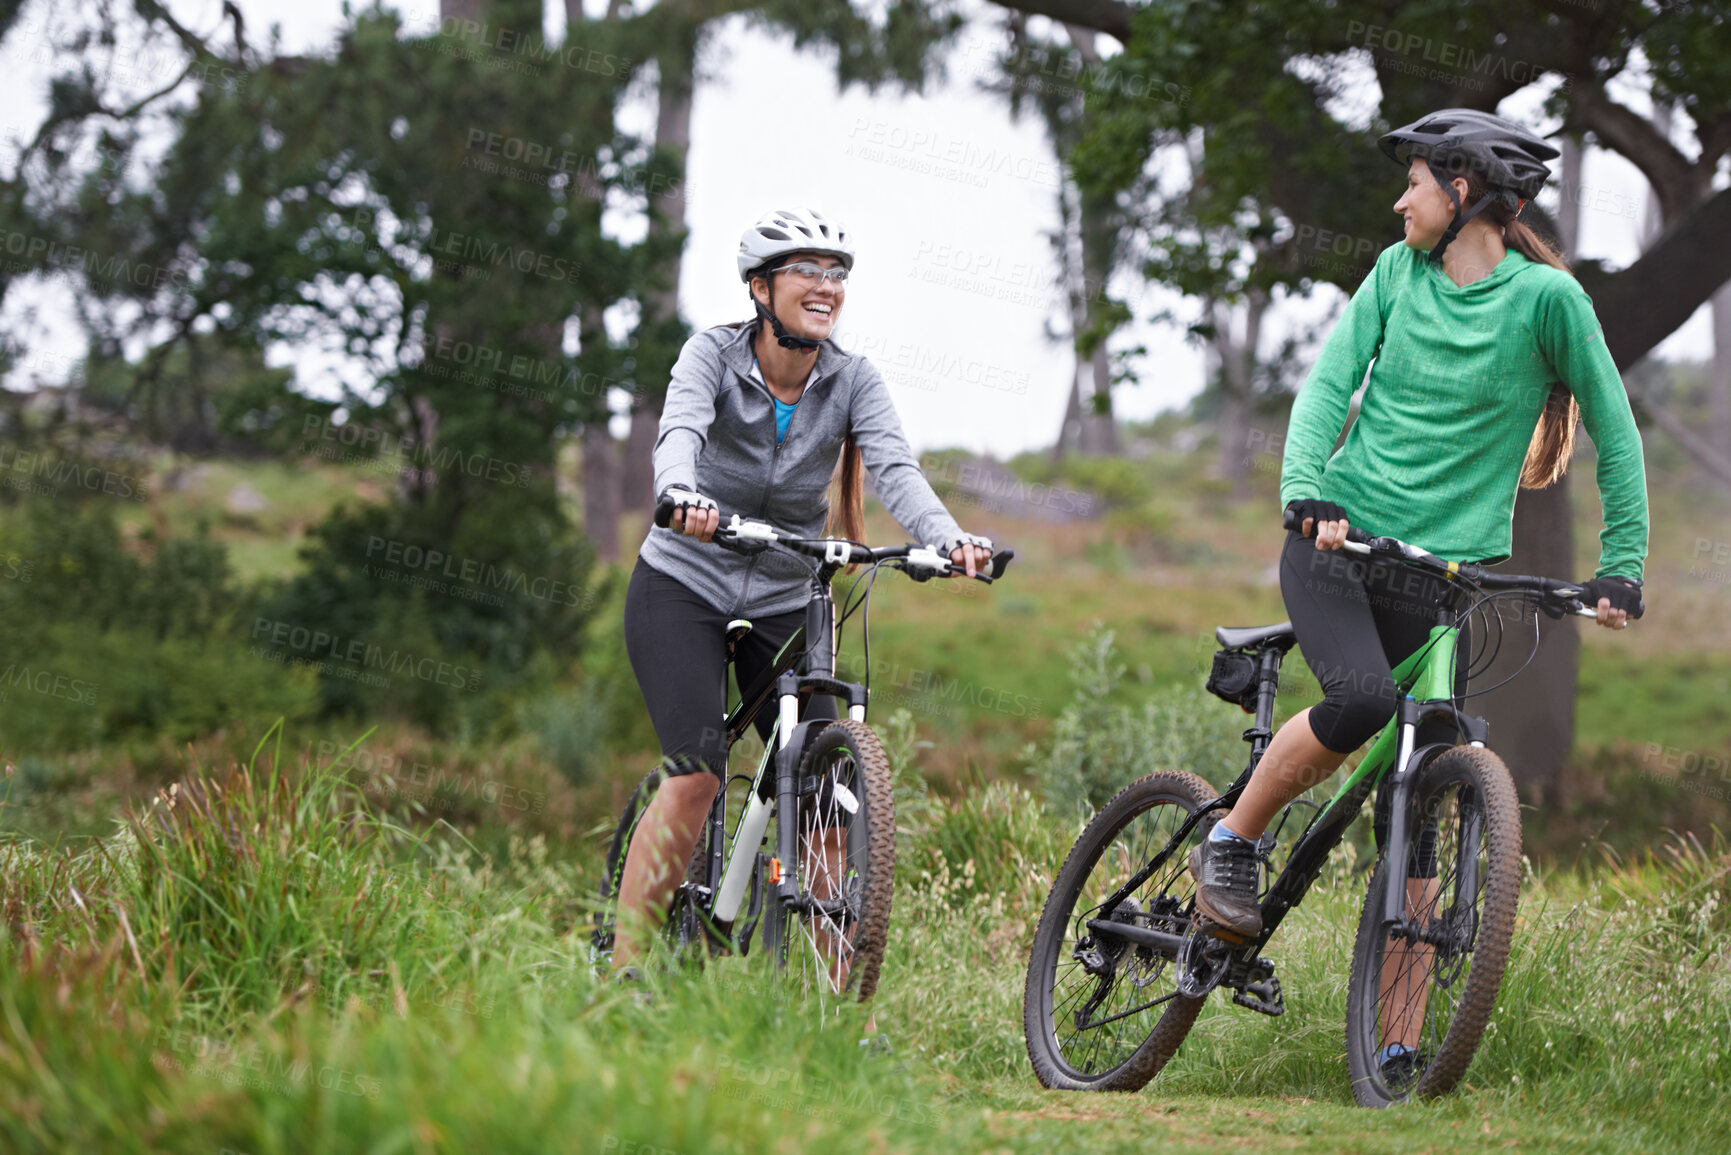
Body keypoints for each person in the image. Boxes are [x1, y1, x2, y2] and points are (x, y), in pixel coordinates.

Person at [1186, 109, 1648, 1070]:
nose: (1401, 199)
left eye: (1416, 182)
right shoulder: (1395, 275)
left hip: (1442, 579)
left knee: (1424, 810)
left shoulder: (1548, 302)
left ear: (1464, 191)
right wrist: (1304, 489)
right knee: (1359, 698)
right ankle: (1231, 838)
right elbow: (1324, 388)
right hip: (1339, 546)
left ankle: (1397, 1046)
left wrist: (1623, 565)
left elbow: (1616, 429)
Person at [612, 207, 993, 974]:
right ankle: (620, 974)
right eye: (806, 272)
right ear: (760, 288)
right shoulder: (710, 356)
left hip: (787, 589)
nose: (826, 286)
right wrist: (682, 494)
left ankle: (835, 1009)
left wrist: (948, 536)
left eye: (837, 274)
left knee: (824, 797)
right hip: (684, 579)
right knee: (695, 775)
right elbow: (679, 432)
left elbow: (895, 469)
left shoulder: (853, 379)